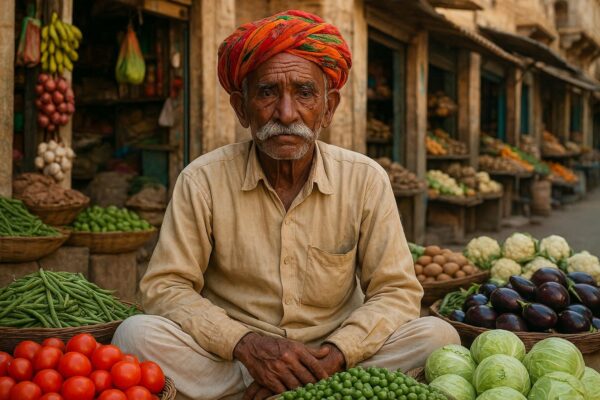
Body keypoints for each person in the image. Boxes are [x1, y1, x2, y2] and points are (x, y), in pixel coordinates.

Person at [113, 10, 459, 400]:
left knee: (438, 336)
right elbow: (165, 286)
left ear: (328, 108)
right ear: (241, 108)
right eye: (266, 93)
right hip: (237, 362)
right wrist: (245, 345)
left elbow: (395, 291)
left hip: (334, 358)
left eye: (304, 93)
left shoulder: (364, 179)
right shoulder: (203, 180)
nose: (286, 113)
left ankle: (302, 388)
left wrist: (337, 354)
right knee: (136, 334)